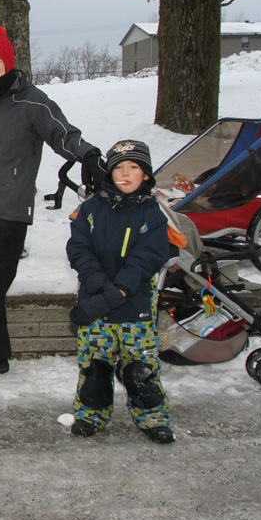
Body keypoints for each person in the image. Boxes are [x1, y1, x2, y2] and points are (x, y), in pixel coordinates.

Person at [0, 26, 108, 392]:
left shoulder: (33, 101)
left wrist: (89, 155)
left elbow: (63, 134)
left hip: (8, 210)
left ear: (9, 63)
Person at [66, 140, 174, 443]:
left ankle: (152, 419)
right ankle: (91, 416)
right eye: (119, 168)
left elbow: (147, 259)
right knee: (95, 365)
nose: (125, 173)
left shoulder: (152, 214)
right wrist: (98, 284)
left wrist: (118, 291)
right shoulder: (90, 209)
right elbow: (79, 248)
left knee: (140, 368)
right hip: (94, 301)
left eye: (134, 167)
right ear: (110, 173)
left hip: (134, 303)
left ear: (146, 175)